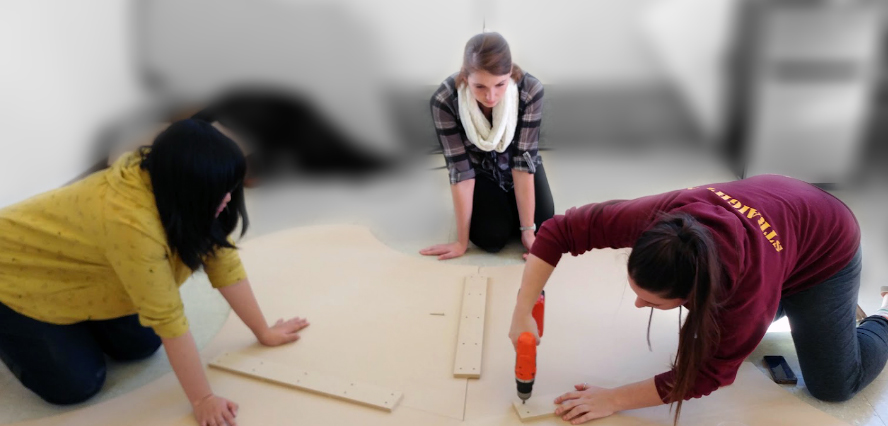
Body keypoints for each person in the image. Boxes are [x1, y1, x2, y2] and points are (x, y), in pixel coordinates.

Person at [508, 174, 888, 425]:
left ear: (697, 293)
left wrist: (614, 400)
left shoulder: (746, 296)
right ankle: (815, 313)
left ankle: (883, 315)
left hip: (827, 248)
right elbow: (561, 230)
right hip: (786, 210)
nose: (639, 306)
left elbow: (708, 375)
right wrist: (522, 311)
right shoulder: (661, 219)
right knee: (728, 335)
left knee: (834, 385)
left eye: (653, 303)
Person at [0, 119, 309, 426]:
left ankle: (74, 325)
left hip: (77, 272)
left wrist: (263, 331)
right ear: (188, 193)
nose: (228, 199)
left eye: (229, 189)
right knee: (77, 386)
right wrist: (202, 399)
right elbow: (168, 318)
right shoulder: (132, 226)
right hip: (15, 277)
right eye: (219, 193)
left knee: (141, 345)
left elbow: (224, 264)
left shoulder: (187, 193)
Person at [420, 32, 554, 261]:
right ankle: (500, 214)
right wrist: (461, 242)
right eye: (479, 86)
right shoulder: (445, 100)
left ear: (510, 73)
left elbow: (523, 163)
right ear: (465, 77)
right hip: (479, 172)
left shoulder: (530, 90)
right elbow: (461, 172)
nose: (491, 96)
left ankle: (512, 215)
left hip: (518, 167)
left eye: (500, 84)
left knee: (542, 225)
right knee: (491, 238)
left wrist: (528, 233)